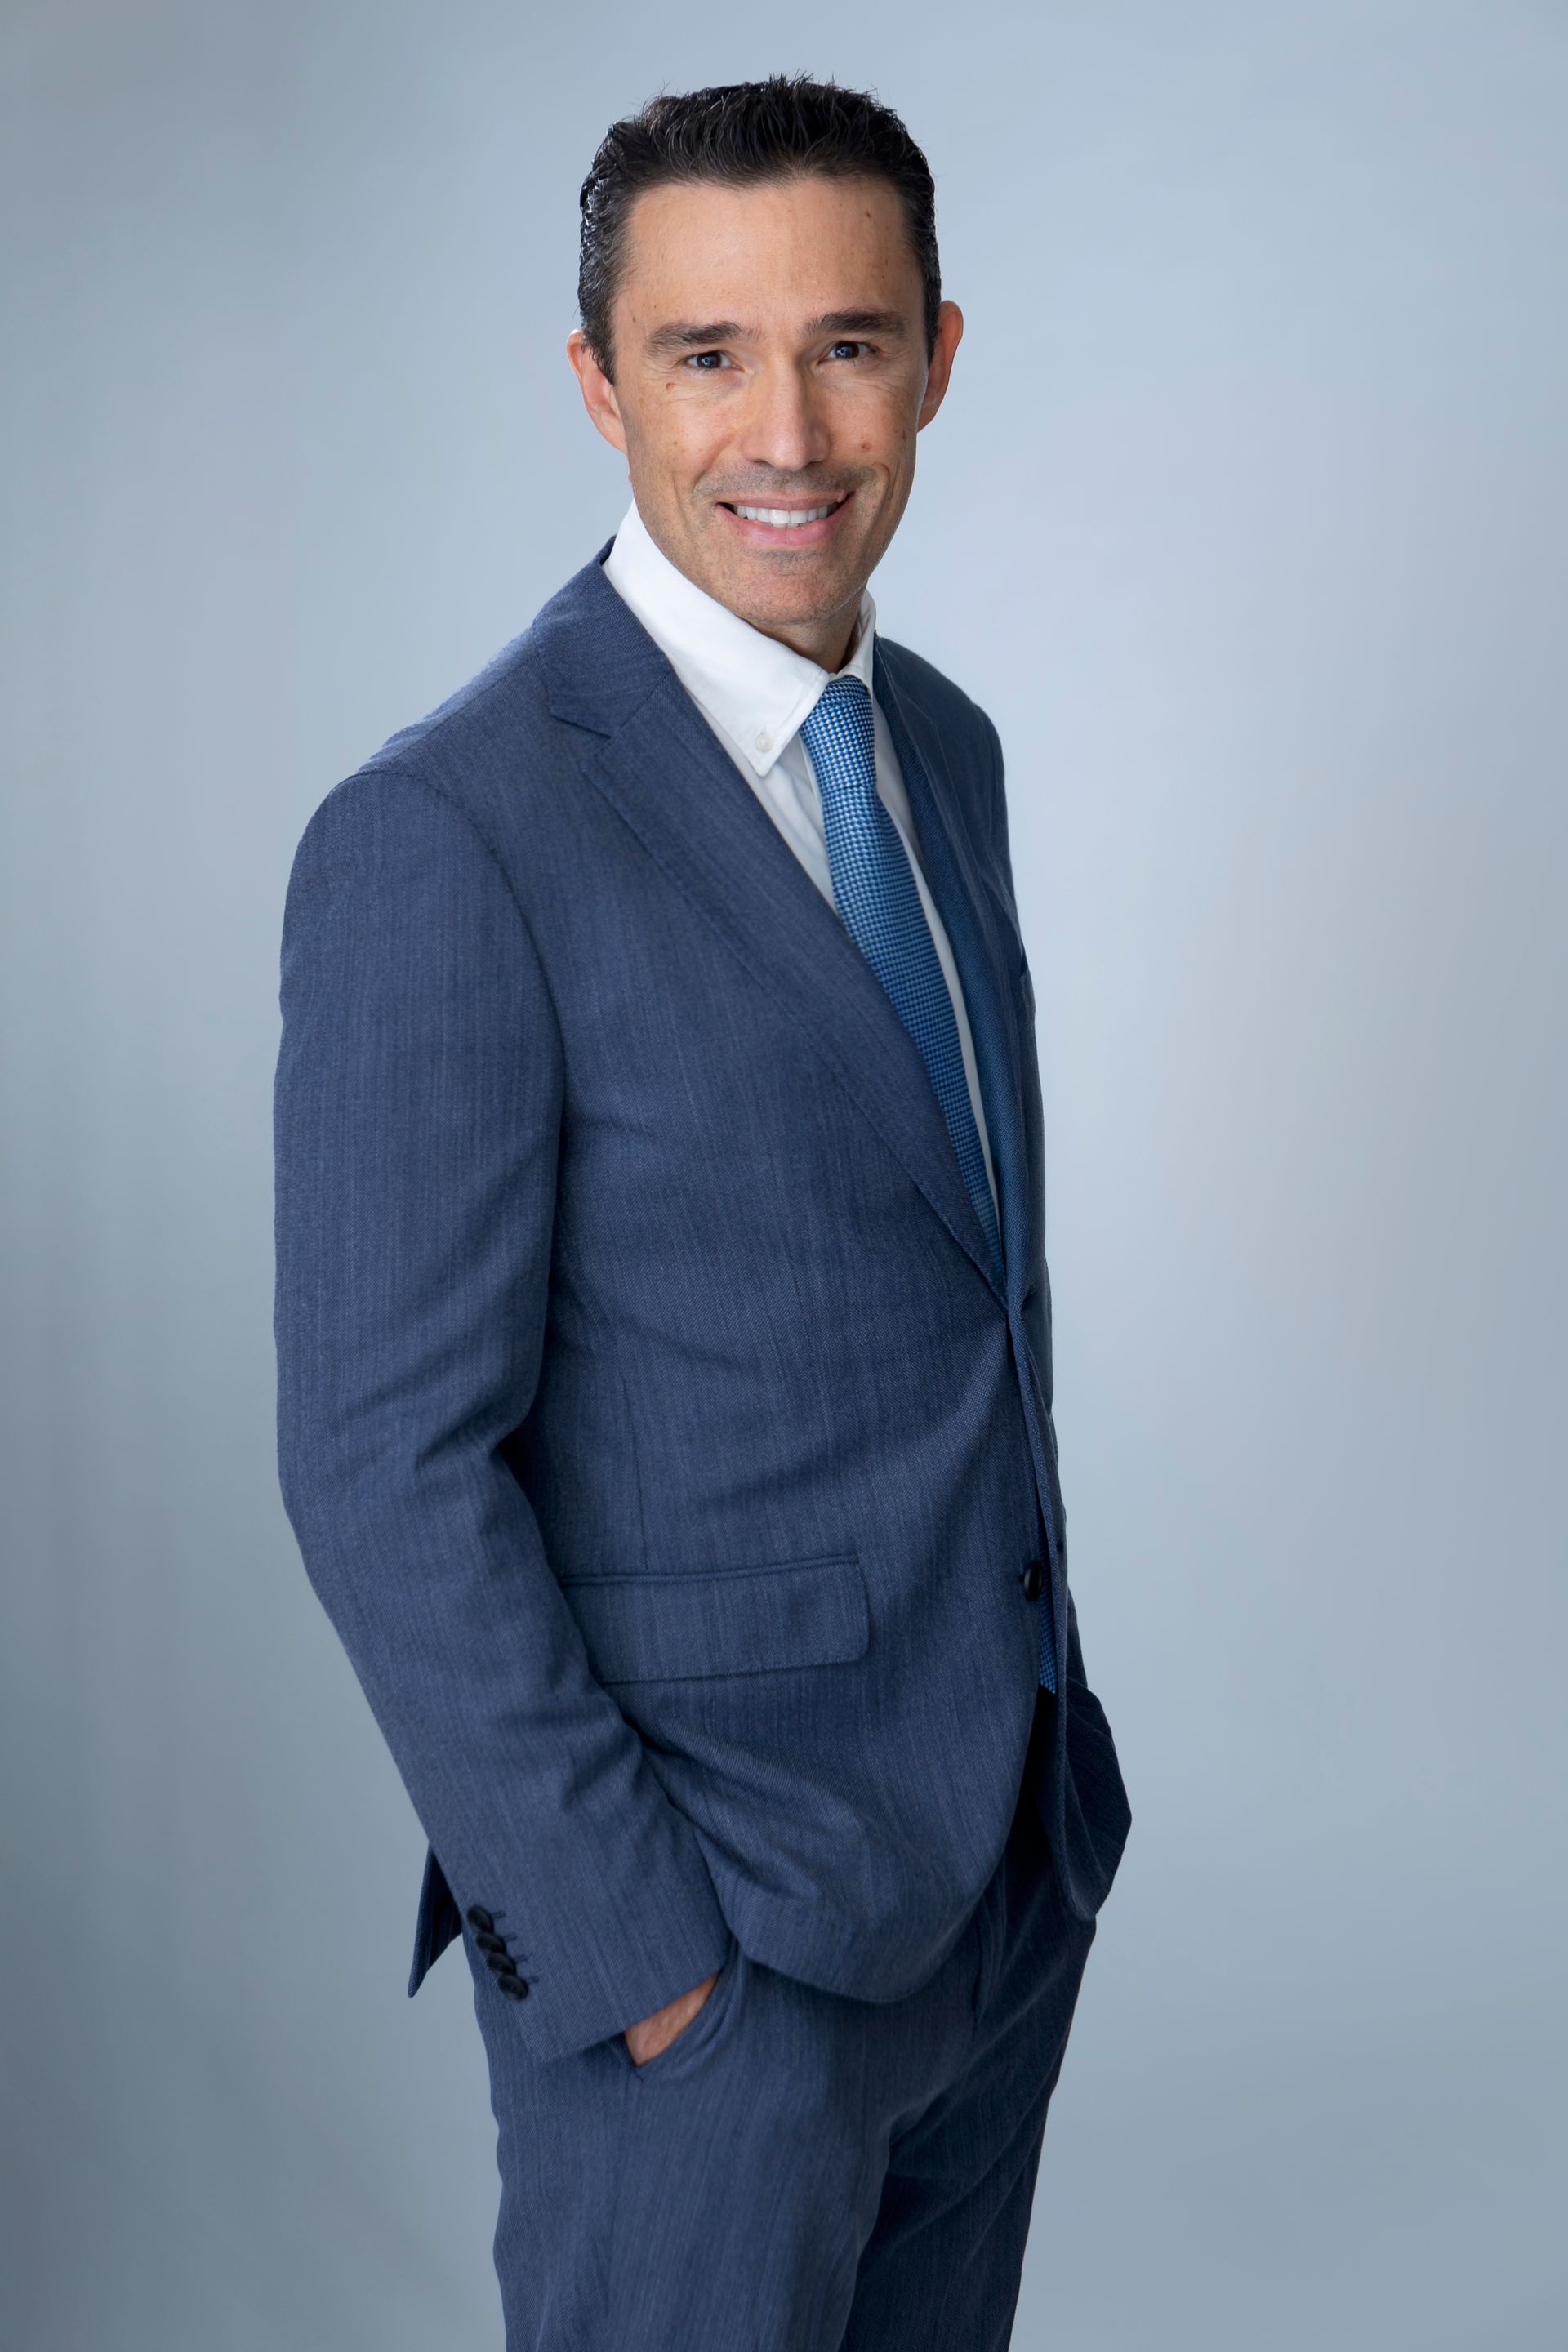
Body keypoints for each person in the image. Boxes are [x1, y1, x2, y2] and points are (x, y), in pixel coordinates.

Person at [274, 73, 1130, 2351]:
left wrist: (1039, 1807)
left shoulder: (944, 752)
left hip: (997, 1887)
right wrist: (640, 1960)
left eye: (848, 344)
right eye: (706, 354)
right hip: (711, 1960)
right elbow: (379, 1462)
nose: (790, 431)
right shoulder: (448, 833)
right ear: (600, 385)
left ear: (937, 359)